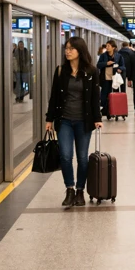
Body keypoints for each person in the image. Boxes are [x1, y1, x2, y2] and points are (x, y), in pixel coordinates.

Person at [45, 37, 103, 207]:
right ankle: (69, 189)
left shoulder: (91, 71)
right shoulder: (60, 71)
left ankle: (80, 191)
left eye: (71, 49)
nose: (67, 51)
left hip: (84, 121)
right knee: (65, 155)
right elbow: (54, 96)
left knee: (83, 158)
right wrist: (49, 118)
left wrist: (98, 118)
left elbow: (95, 97)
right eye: (66, 48)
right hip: (65, 121)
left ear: (80, 51)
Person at [97, 40, 126, 120]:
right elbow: (98, 65)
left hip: (115, 78)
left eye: (108, 46)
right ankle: (105, 112)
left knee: (115, 95)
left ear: (113, 47)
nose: (107, 47)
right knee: (105, 95)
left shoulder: (119, 56)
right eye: (106, 46)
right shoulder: (103, 56)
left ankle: (114, 111)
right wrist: (106, 63)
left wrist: (120, 69)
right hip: (106, 78)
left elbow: (123, 66)